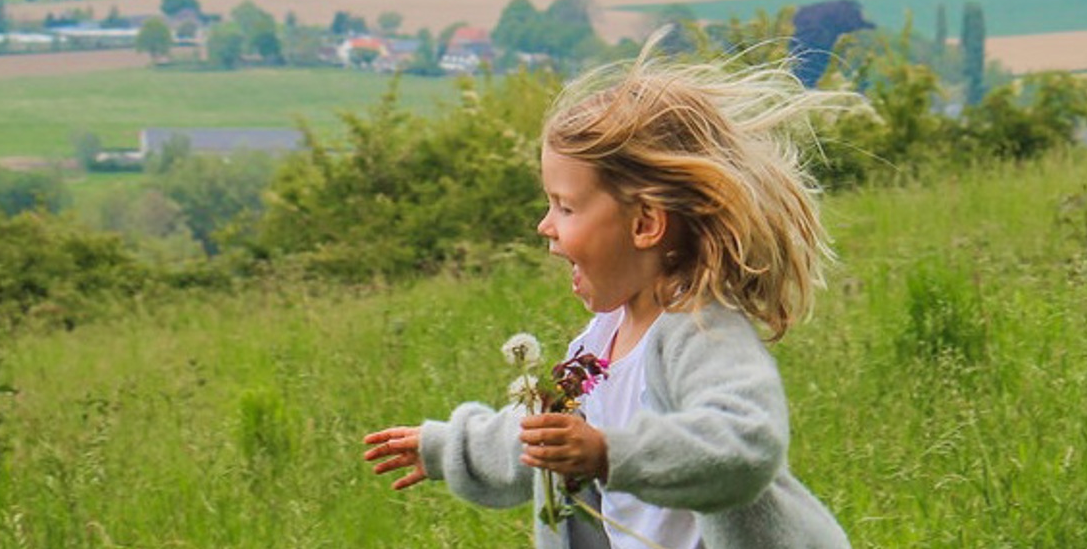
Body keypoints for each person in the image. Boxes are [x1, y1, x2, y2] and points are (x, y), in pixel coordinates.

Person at [360, 47, 858, 549]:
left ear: (644, 224)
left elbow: (747, 445)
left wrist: (606, 453)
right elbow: (543, 439)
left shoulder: (701, 331)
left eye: (566, 206)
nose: (545, 225)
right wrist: (449, 449)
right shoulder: (599, 344)